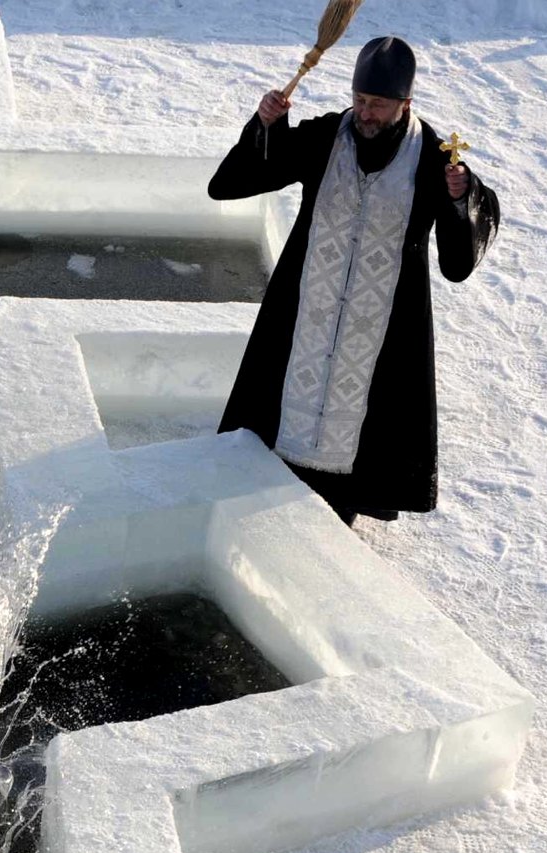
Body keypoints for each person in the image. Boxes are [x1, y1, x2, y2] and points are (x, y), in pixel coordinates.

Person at [209, 35, 500, 526]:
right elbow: (231, 184)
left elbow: (458, 259)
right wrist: (268, 126)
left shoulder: (434, 156)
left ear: (405, 103)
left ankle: (349, 500)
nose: (365, 113)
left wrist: (461, 196)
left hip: (383, 322)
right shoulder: (326, 136)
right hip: (306, 305)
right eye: (360, 100)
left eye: (378, 106)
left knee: (370, 414)